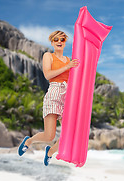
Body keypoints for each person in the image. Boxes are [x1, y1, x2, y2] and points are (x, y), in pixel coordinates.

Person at [18, 30, 79, 166]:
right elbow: (48, 75)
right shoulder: (48, 56)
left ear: (65, 43)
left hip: (67, 96)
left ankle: (50, 152)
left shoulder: (69, 60)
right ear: (52, 42)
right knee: (49, 135)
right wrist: (67, 67)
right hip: (54, 93)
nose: (59, 42)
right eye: (56, 39)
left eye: (62, 40)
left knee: (69, 135)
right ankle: (28, 141)